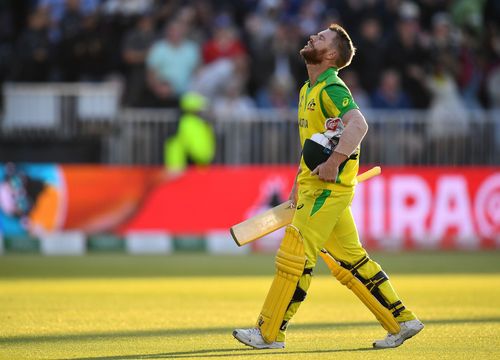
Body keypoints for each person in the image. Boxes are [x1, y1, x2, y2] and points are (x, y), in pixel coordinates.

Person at [233, 24, 424, 350]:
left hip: (327, 190)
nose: (311, 38)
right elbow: (311, 144)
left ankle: (269, 333)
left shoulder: (331, 88)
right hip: (314, 187)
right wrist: (298, 182)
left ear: (332, 54)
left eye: (320, 38)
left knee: (295, 254)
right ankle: (402, 320)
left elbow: (359, 124)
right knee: (350, 262)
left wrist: (334, 163)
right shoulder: (308, 89)